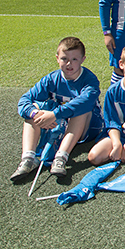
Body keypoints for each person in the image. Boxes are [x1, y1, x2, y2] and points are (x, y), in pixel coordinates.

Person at [10, 37, 104, 180]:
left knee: (80, 110)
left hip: (88, 127)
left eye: (74, 59)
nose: (69, 64)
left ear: (83, 59)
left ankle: (61, 157)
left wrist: (54, 115)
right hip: (59, 123)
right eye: (64, 58)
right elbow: (24, 101)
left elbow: (85, 102)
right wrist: (36, 113)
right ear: (57, 58)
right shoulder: (51, 79)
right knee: (34, 107)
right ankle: (28, 158)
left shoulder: (89, 80)